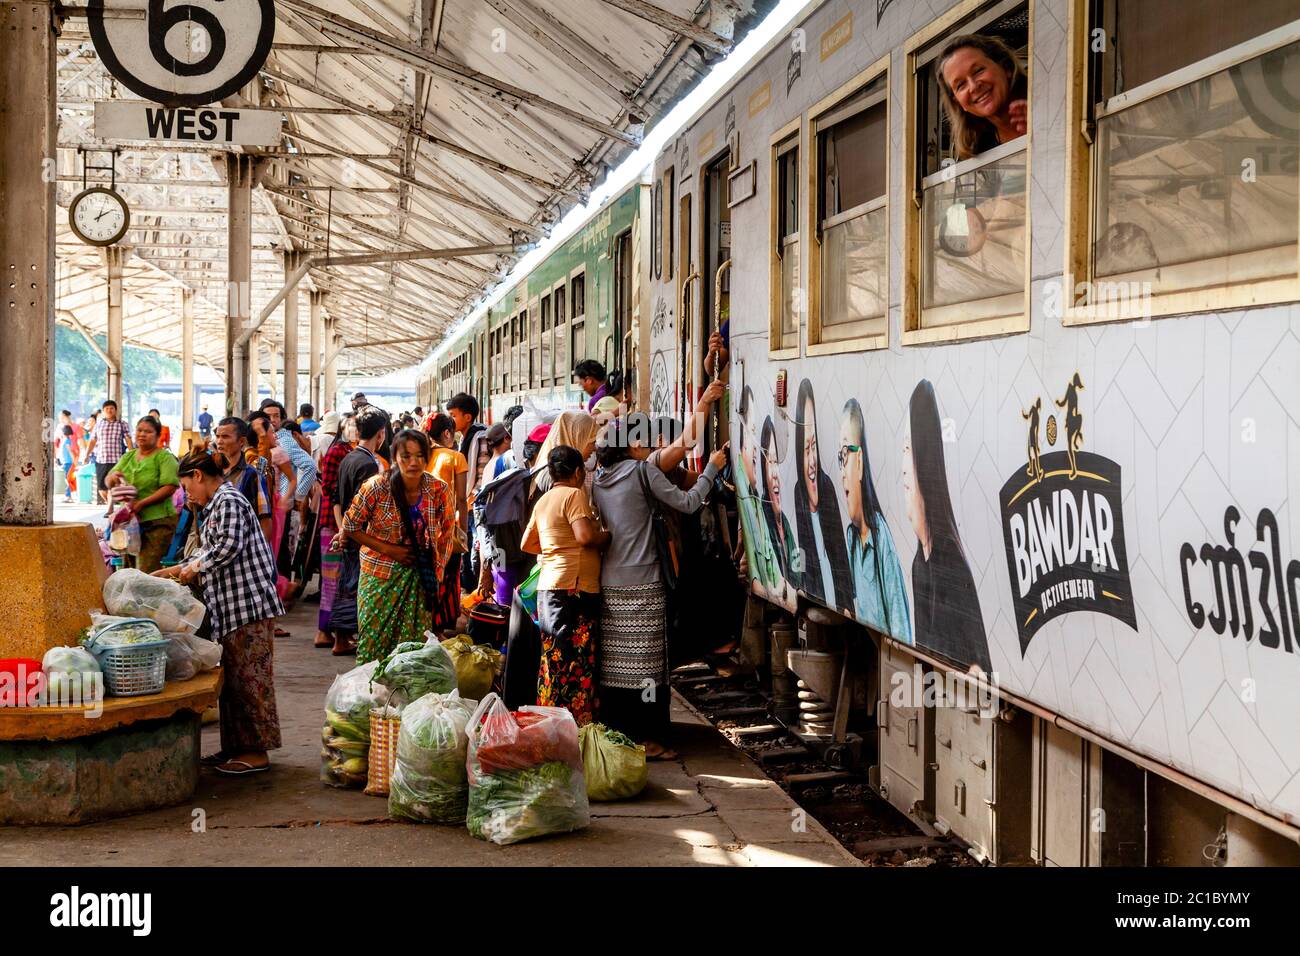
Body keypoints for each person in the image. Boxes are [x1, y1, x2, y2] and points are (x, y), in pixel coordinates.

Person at [592, 415, 726, 757]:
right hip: (645, 582)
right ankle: (647, 740)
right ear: (634, 445)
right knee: (649, 668)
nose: (653, 448)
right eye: (648, 442)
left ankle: (620, 734)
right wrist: (711, 469)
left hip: (611, 582)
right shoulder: (642, 471)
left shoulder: (599, 477)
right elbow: (689, 502)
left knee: (619, 668)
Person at [154, 451, 283, 776]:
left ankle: (256, 752)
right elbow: (208, 547)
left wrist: (192, 567)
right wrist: (174, 571)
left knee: (251, 682)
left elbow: (226, 547)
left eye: (187, 485)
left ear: (198, 475)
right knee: (234, 683)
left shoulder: (228, 500)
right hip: (231, 609)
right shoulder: (214, 506)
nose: (187, 494)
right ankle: (236, 748)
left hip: (248, 608)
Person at [342, 429, 455, 665]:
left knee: (412, 652)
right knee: (373, 646)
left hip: (420, 578)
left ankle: (406, 700)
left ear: (428, 458)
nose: (413, 463)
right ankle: (370, 697)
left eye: (419, 456)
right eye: (406, 456)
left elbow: (447, 533)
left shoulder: (439, 489)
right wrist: (391, 550)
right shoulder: (375, 487)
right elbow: (351, 526)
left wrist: (438, 572)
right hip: (378, 575)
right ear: (394, 457)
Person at [903, 380, 990, 673]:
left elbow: (978, 671)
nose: (903, 468)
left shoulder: (950, 564)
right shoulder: (920, 564)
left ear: (924, 460)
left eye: (909, 450)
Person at [521, 445, 607, 725]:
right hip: (575, 590)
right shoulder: (574, 495)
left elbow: (527, 544)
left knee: (554, 661)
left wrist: (553, 548)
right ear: (579, 472)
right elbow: (584, 536)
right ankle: (576, 729)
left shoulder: (544, 501)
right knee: (578, 663)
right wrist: (605, 537)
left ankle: (549, 724)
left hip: (550, 589)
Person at [839, 398, 911, 642]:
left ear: (859, 463)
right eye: (839, 458)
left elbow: (902, 633)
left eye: (845, 454)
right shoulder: (851, 537)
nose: (841, 472)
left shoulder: (881, 539)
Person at [328, 407, 389, 655]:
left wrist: (342, 529)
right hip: (362, 536)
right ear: (381, 434)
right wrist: (350, 533)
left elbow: (336, 499)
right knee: (359, 589)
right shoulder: (369, 465)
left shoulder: (349, 458)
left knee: (346, 585)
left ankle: (341, 638)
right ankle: (349, 638)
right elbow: (365, 507)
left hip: (349, 533)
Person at [793, 380, 853, 611]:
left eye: (814, 446)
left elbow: (841, 562)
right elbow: (800, 557)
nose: (812, 462)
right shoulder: (798, 493)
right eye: (806, 449)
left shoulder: (826, 487)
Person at [936, 34, 1028, 160]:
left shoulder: (1051, 105)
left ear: (1007, 68)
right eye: (961, 85)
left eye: (978, 71)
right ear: (958, 103)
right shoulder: (979, 149)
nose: (973, 86)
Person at [105, 416, 179, 573]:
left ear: (158, 436)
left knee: (146, 570)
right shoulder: (128, 456)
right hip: (130, 523)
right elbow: (109, 480)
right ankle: (131, 598)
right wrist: (112, 478)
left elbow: (170, 487)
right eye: (139, 430)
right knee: (128, 569)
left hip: (158, 522)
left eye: (148, 431)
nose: (142, 434)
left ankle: (148, 598)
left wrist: (142, 503)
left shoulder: (164, 458)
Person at [424, 414, 469, 630]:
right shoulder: (456, 457)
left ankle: (428, 622)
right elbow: (461, 498)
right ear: (447, 433)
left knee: (429, 574)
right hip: (447, 528)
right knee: (449, 576)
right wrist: (464, 530)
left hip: (424, 527)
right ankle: (442, 624)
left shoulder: (422, 456)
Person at [213, 417, 273, 540]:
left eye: (225, 437)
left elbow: (264, 518)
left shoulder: (250, 471)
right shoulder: (211, 470)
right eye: (217, 436)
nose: (219, 441)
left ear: (241, 441)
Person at [760, 416, 801, 591]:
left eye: (780, 462)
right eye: (772, 462)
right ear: (764, 467)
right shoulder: (761, 516)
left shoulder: (785, 523)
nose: (777, 473)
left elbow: (799, 570)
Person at [83, 399, 133, 518]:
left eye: (111, 408)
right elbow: (93, 440)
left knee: (112, 486)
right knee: (101, 488)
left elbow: (128, 439)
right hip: (101, 459)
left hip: (117, 460)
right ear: (104, 411)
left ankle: (110, 509)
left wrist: (132, 454)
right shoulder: (99, 424)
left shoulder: (122, 424)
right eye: (107, 409)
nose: (109, 411)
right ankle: (109, 504)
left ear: (116, 410)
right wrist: (86, 455)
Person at [57, 424, 77, 503]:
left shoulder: (67, 441)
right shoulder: (65, 440)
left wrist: (74, 462)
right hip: (65, 462)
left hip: (68, 463)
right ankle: (68, 495)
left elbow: (70, 451)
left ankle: (68, 496)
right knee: (67, 479)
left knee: (68, 480)